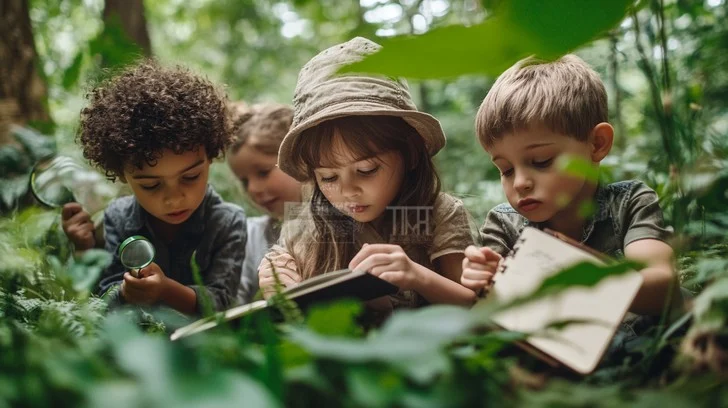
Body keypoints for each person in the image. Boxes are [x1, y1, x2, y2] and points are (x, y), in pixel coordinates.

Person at [258, 37, 477, 313]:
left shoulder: (438, 214)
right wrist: (276, 285)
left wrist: (418, 277)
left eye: (366, 170)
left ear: (409, 152)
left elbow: (477, 310)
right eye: (328, 178)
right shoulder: (306, 229)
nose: (348, 191)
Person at [461, 54, 682, 319]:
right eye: (506, 170)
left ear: (597, 144)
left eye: (541, 161)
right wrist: (485, 280)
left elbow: (661, 288)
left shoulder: (630, 203)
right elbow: (491, 316)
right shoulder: (503, 224)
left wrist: (567, 274)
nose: (520, 182)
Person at [71, 60, 246, 314]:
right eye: (151, 185)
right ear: (122, 175)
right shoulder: (117, 218)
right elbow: (102, 300)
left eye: (190, 177)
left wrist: (167, 291)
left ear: (210, 157)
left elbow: (221, 303)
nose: (174, 199)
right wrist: (123, 291)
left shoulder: (227, 222)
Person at [227, 102, 302, 304]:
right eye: (244, 181)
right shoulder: (249, 236)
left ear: (300, 157)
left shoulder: (344, 221)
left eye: (263, 172)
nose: (252, 189)